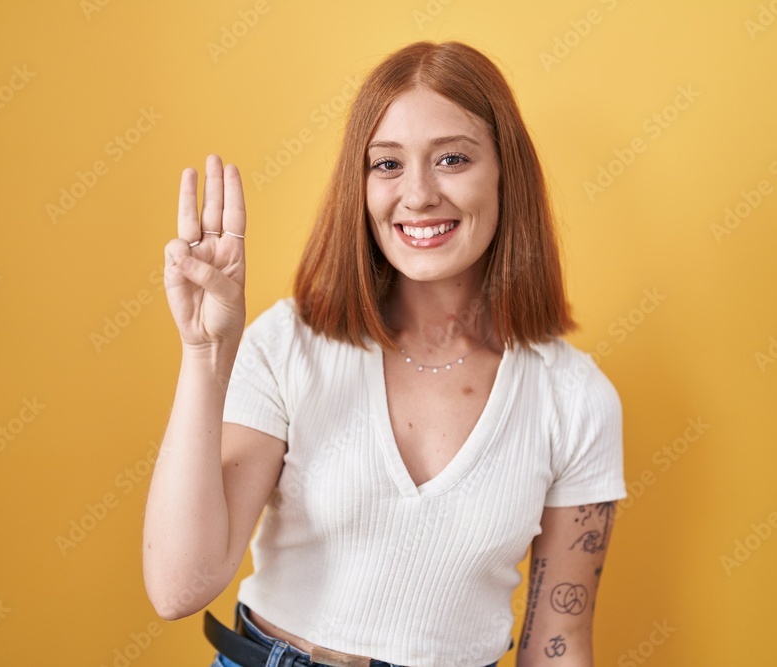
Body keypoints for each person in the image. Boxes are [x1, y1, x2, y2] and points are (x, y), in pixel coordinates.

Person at [143, 41, 627, 667]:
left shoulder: (576, 398)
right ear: (361, 185)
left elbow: (558, 645)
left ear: (507, 172)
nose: (419, 194)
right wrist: (206, 353)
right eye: (387, 164)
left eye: (452, 158)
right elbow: (178, 586)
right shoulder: (290, 343)